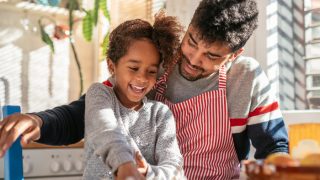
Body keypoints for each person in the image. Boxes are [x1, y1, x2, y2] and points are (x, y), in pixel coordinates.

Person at [0, 0, 289, 179]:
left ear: (233, 55)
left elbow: (274, 149)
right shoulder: (154, 66)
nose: (193, 59)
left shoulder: (246, 78)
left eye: (211, 56)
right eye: (191, 41)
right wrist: (40, 121)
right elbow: (90, 112)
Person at [82, 12, 183, 180]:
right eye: (133, 68)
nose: (142, 78)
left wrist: (149, 173)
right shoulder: (99, 94)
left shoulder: (160, 114)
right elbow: (106, 129)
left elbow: (175, 168)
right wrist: (125, 166)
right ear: (112, 66)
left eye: (151, 71)